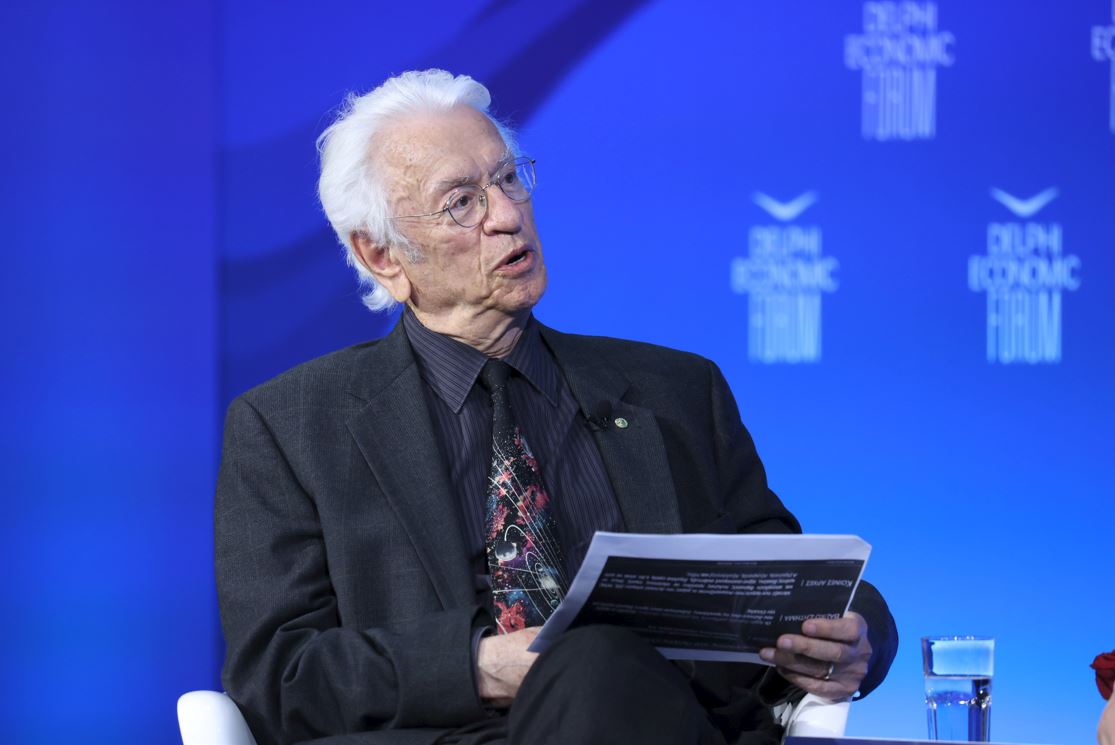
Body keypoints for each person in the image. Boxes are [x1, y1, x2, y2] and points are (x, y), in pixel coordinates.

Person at [215, 69, 898, 745]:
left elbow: (790, 578)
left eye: (508, 179)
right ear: (382, 255)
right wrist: (480, 666)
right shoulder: (291, 427)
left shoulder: (675, 390)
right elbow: (279, 677)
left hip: (665, 727)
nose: (507, 215)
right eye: (461, 202)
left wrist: (852, 636)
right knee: (592, 659)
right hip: (445, 734)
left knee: (602, 665)